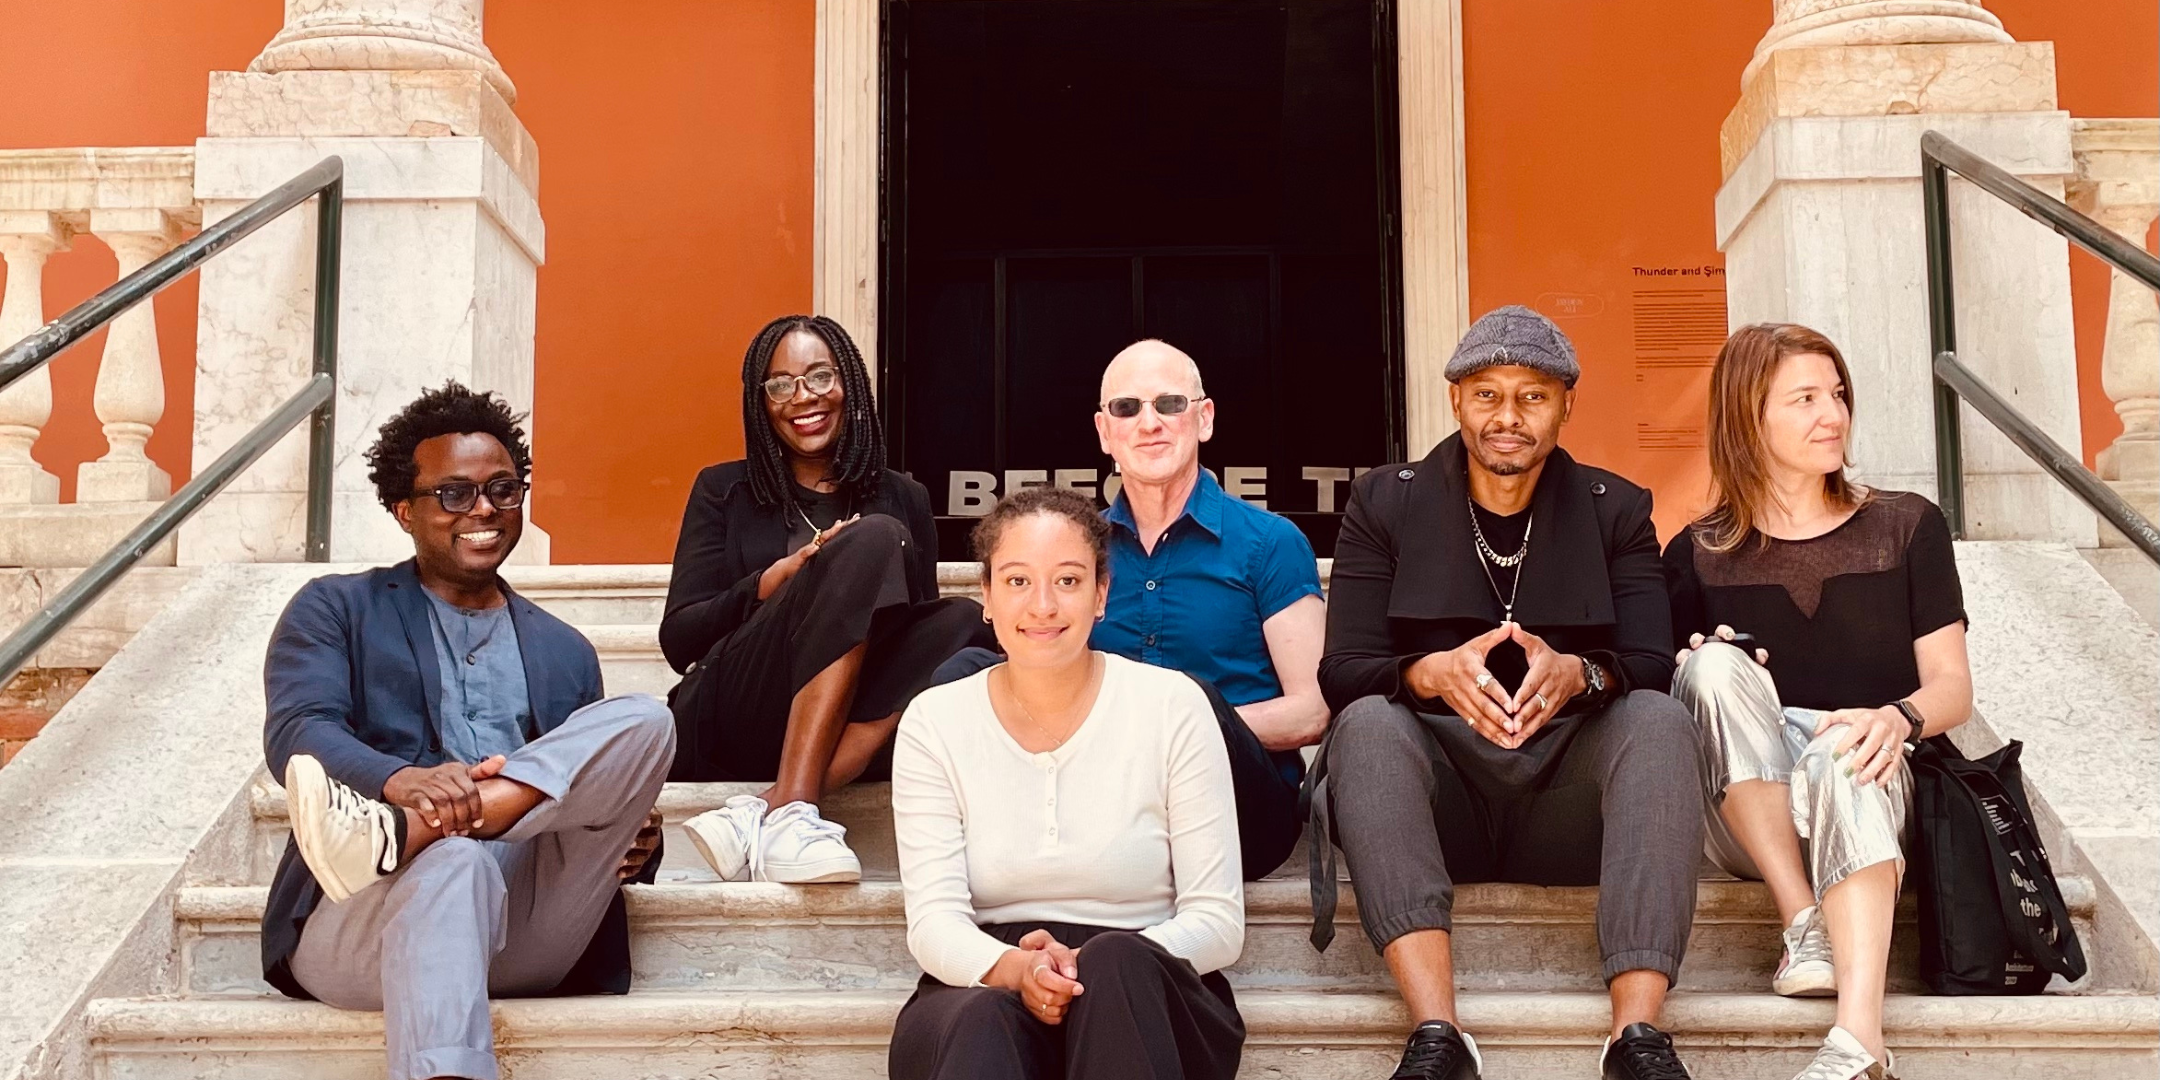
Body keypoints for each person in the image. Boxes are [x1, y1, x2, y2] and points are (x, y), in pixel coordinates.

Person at [1314, 306, 1704, 1080]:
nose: (1508, 417)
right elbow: (1343, 667)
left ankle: (1637, 1041)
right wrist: (1424, 673)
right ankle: (1438, 1036)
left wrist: (1581, 673)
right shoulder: (1385, 502)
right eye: (1487, 394)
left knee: (1657, 720)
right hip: (1437, 799)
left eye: (1532, 396)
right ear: (1455, 401)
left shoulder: (1615, 507)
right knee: (1363, 724)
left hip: (1568, 800)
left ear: (1566, 405)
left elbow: (1652, 661)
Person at [264, 383, 675, 1080]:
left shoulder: (565, 649)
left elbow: (583, 783)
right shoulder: (337, 609)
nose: (483, 509)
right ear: (404, 510)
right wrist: (402, 782)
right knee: (452, 862)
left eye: (502, 489)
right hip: (368, 918)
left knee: (648, 717)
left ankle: (410, 830)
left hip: (527, 927)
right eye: (453, 494)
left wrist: (636, 837)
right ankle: (414, 843)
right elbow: (299, 732)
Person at [1665, 323, 1972, 1080]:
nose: (1831, 415)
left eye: (1836, 395)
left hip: (1868, 791)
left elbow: (1953, 689)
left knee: (1844, 747)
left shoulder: (1906, 526)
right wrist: (1699, 666)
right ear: (1747, 416)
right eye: (1804, 399)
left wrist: (1895, 718)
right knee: (1708, 669)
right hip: (1745, 816)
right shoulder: (1693, 554)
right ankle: (1802, 918)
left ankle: (1859, 1042)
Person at [888, 486, 1246, 1080]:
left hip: (1148, 980)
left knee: (1117, 964)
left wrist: (1083, 964)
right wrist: (1017, 970)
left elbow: (1218, 922)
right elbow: (934, 923)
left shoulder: (1171, 705)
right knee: (979, 1024)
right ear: (986, 596)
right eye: (1018, 581)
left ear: (1102, 594)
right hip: (992, 972)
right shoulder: (935, 721)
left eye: (1070, 581)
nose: (1044, 606)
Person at [935, 339, 1326, 880]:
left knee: (1189, 698)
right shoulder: (1074, 550)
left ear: (1203, 418)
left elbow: (1311, 711)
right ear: (1104, 432)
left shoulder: (1270, 542)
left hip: (1233, 805)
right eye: (1128, 408)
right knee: (965, 677)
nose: (1150, 423)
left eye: (1169, 404)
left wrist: (1164, 730)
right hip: (1103, 800)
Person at [664, 314, 990, 884]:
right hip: (739, 708)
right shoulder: (723, 490)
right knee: (875, 535)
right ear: (760, 402)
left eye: (819, 377)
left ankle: (769, 808)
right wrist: (774, 581)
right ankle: (791, 806)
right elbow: (680, 638)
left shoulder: (903, 495)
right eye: (780, 384)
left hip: (847, 720)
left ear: (850, 385)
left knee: (966, 619)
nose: (802, 398)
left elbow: (910, 643)